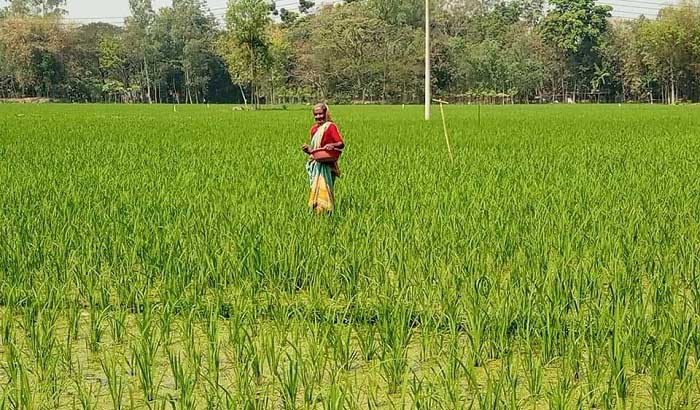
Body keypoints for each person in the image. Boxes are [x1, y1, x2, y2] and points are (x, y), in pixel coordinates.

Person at [302, 103, 345, 213]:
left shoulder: (330, 127)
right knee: (315, 190)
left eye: (321, 114)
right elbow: (315, 151)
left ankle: (328, 214)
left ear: (326, 113)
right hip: (316, 164)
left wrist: (332, 145)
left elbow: (341, 144)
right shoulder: (314, 130)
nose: (318, 117)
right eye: (316, 115)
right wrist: (308, 150)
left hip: (328, 164)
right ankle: (317, 215)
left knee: (326, 190)